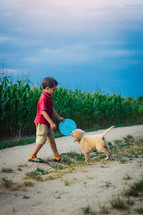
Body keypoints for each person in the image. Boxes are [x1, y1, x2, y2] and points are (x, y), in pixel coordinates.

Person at [28, 77, 64, 163]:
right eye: (53, 89)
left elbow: (51, 109)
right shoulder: (43, 97)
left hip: (47, 123)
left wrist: (58, 117)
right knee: (41, 140)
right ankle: (32, 156)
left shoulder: (48, 96)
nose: (54, 91)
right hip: (42, 122)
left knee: (51, 139)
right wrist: (51, 122)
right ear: (47, 88)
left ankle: (56, 156)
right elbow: (43, 112)